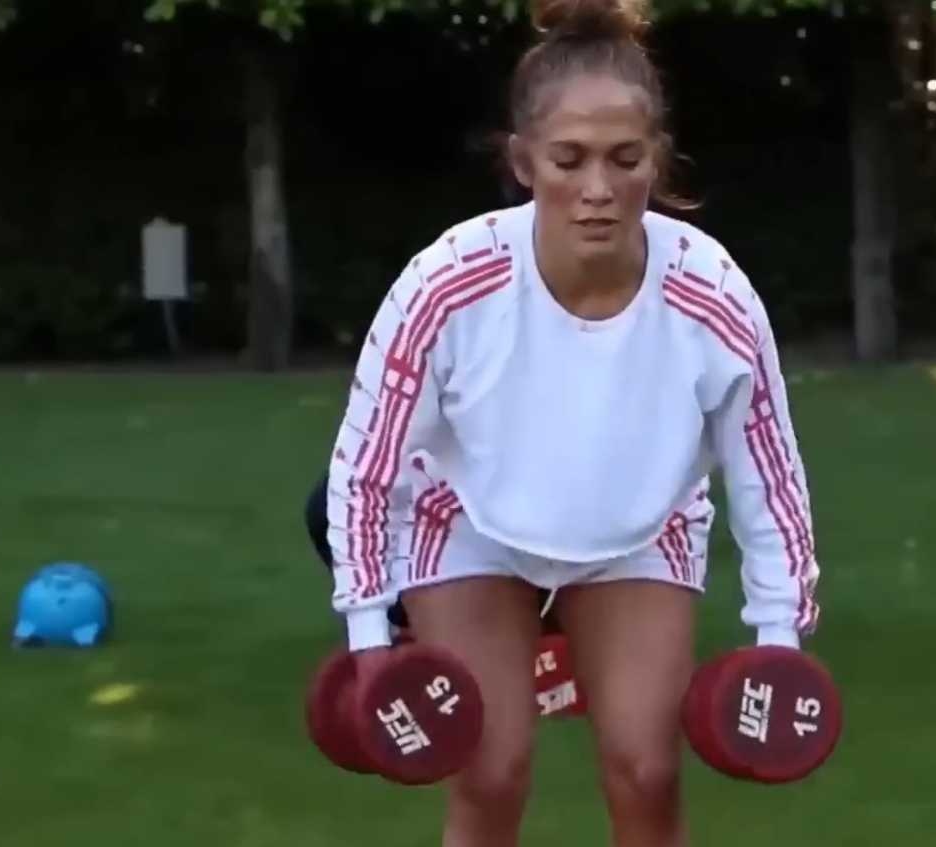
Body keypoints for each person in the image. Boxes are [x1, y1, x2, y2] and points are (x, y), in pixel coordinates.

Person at [321, 0, 821, 842]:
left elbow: (767, 473)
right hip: (467, 524)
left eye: (625, 159)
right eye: (569, 159)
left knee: (647, 771)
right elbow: (367, 465)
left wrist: (779, 633)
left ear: (657, 158)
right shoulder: (448, 284)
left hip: (641, 531)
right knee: (490, 770)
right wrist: (369, 633)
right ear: (523, 161)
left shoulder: (713, 295)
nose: (598, 190)